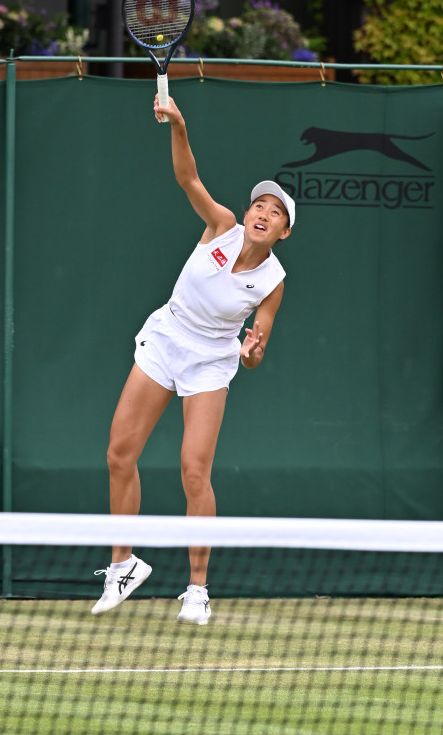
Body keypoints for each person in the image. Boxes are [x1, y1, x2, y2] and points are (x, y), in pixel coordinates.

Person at [91, 92, 294, 624]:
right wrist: (177, 124)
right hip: (167, 337)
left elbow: (255, 353)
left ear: (283, 233)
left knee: (194, 472)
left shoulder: (272, 282)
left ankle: (198, 590)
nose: (262, 214)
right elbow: (189, 178)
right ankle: (123, 565)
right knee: (119, 453)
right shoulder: (221, 225)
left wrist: (252, 351)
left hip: (210, 362)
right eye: (259, 205)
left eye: (275, 213)